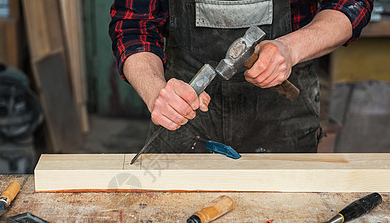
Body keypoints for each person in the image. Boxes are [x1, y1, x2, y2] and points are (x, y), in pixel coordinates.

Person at [109, 1, 372, 153]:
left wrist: (291, 48)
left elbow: (351, 5)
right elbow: (133, 24)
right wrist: (156, 90)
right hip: (186, 108)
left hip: (284, 118)